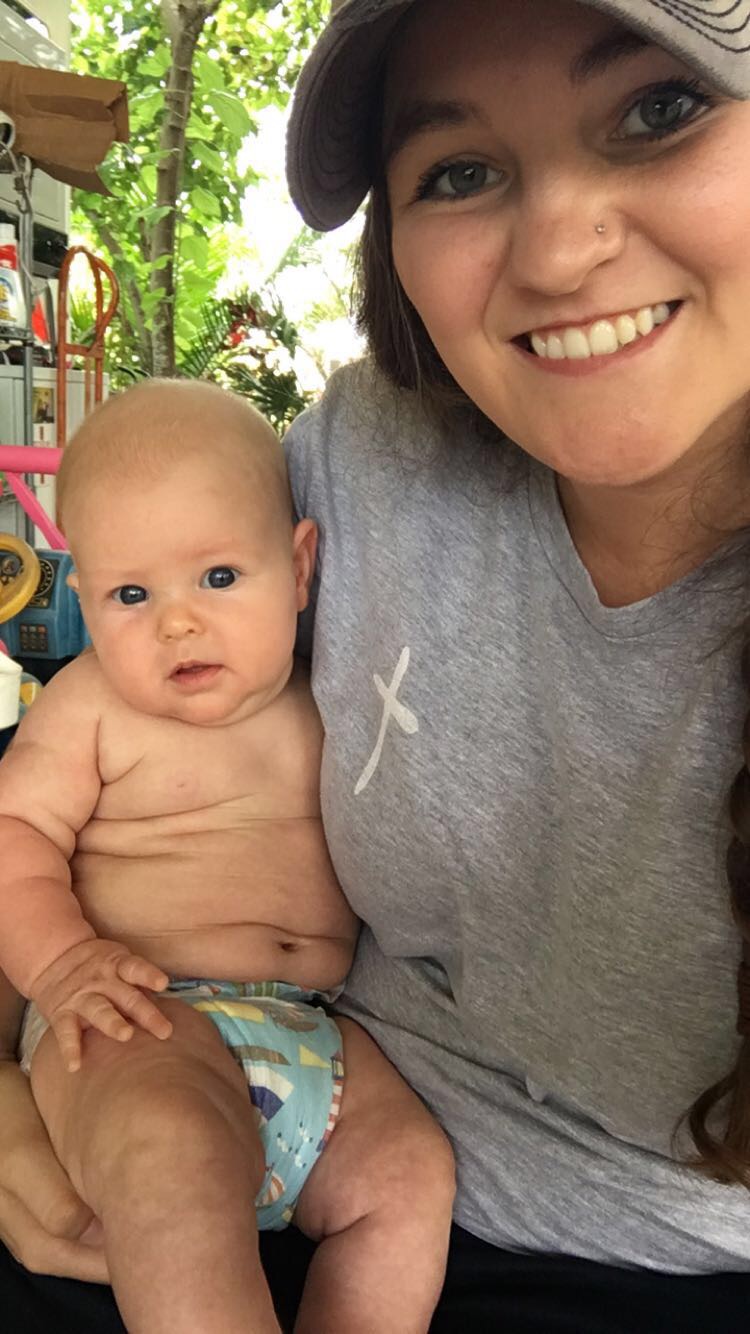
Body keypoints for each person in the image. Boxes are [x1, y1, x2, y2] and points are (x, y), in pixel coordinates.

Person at [4, 0, 750, 1328]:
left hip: (540, 1209)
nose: (561, 248)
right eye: (457, 169)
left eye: (659, 109)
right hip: (180, 1060)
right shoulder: (372, 458)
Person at [0, 377, 454, 1334]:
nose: (177, 622)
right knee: (170, 1159)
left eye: (217, 577)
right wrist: (60, 965)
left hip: (314, 1034)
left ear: (299, 567)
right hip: (133, 1018)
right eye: (131, 594)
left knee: (410, 1173)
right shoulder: (90, 706)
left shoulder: (334, 700)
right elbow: (16, 834)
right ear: (83, 600)